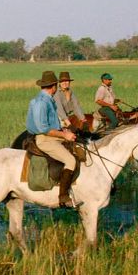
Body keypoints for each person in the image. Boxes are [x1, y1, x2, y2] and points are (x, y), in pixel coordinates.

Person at [26, 70, 79, 209]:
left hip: (52, 136)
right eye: (56, 84)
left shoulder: (48, 100)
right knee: (70, 160)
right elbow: (43, 128)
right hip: (45, 139)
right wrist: (64, 135)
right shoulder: (41, 102)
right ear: (53, 86)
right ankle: (63, 197)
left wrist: (65, 130)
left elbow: (52, 124)